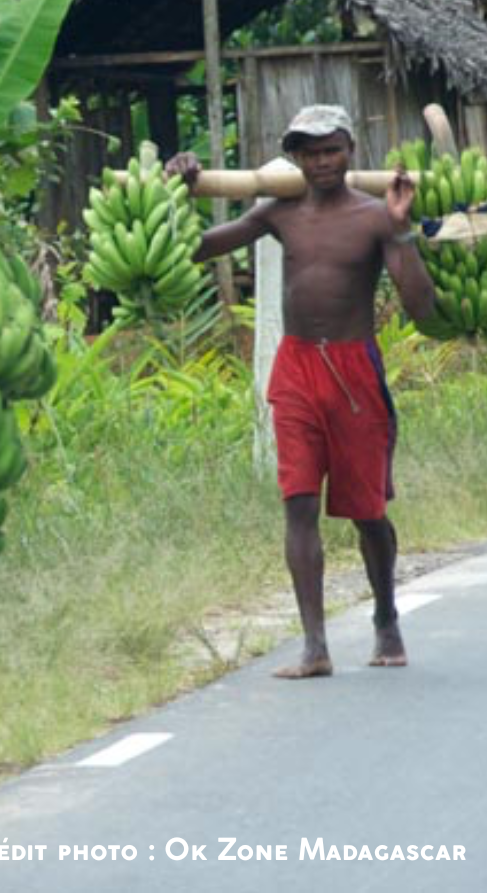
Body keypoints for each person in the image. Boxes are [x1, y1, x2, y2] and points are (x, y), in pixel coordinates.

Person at [165, 105, 435, 679]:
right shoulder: (278, 213)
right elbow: (197, 249)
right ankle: (314, 646)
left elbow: (420, 305)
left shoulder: (374, 217)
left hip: (354, 372)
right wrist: (178, 191)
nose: (321, 161)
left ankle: (386, 616)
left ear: (350, 151)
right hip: (295, 370)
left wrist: (401, 226)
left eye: (331, 149)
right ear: (295, 157)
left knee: (367, 513)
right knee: (299, 502)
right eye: (310, 152)